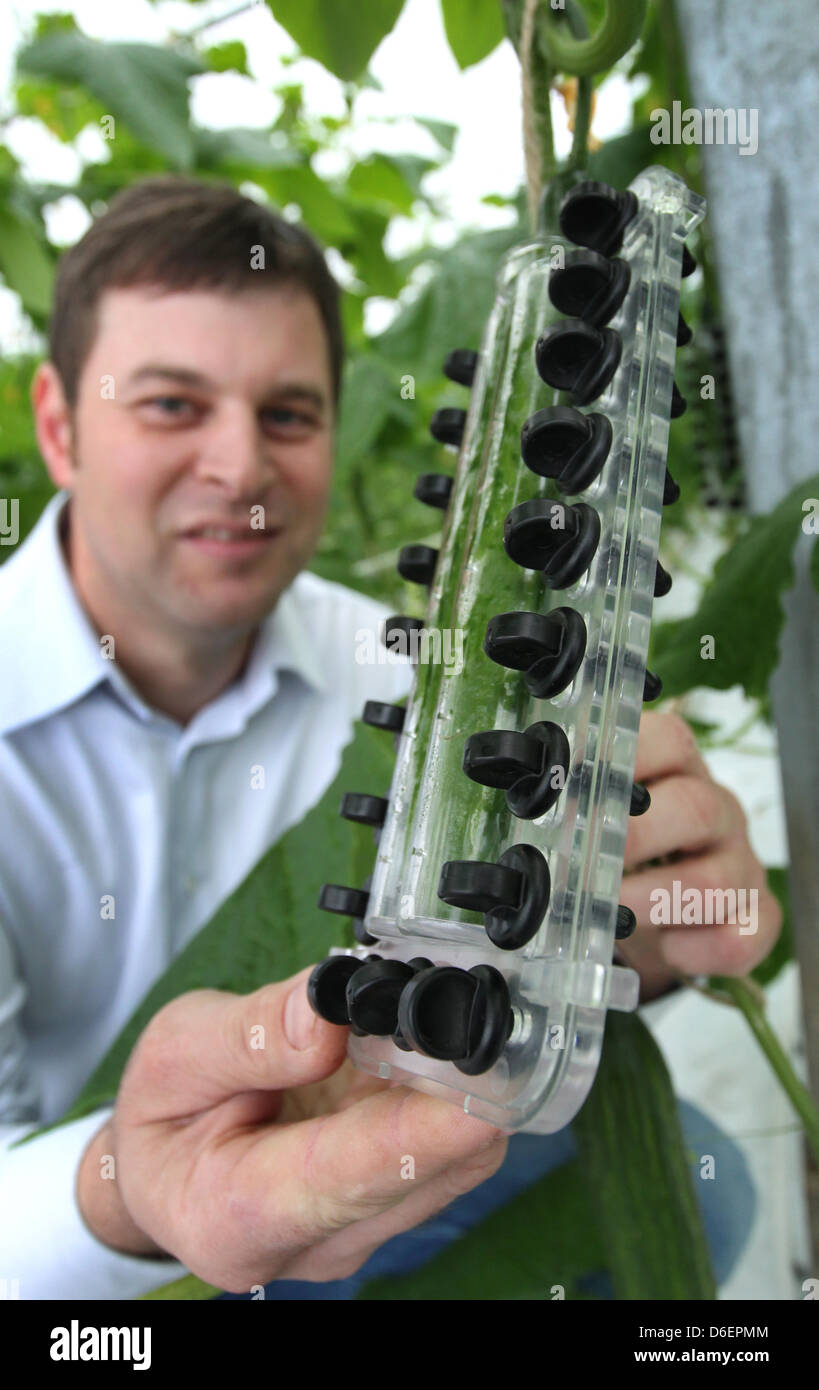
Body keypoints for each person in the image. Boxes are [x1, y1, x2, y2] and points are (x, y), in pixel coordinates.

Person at [0, 177, 781, 1301]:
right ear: (61, 427)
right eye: (171, 404)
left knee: (703, 1191)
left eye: (287, 414)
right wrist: (129, 1188)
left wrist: (636, 926)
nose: (240, 469)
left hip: (344, 1176)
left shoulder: (430, 672)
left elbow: (499, 981)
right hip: (80, 1257)